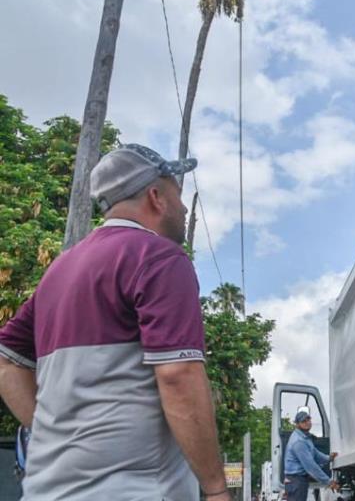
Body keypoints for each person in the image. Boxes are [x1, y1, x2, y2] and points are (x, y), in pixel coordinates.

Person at [0, 144, 230, 500]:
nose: (184, 208)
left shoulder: (59, 270)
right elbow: (177, 375)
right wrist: (215, 489)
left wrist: (52, 436)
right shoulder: (159, 258)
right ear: (156, 196)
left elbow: (6, 361)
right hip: (135, 490)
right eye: (178, 194)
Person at [284, 410, 338, 501]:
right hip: (296, 481)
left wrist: (329, 458)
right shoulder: (299, 442)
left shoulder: (305, 437)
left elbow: (315, 453)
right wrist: (328, 482)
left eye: (308, 420)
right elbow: (311, 467)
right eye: (303, 421)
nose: (307, 423)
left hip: (297, 480)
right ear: (297, 424)